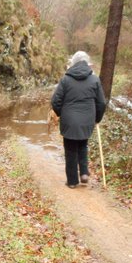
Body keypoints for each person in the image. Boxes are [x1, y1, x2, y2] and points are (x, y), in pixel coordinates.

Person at [51, 51, 106, 188]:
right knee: (82, 146)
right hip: (87, 120)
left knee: (70, 150)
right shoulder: (94, 80)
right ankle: (84, 173)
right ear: (87, 63)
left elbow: (55, 101)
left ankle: (72, 181)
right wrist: (97, 118)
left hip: (69, 120)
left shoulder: (66, 79)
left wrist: (61, 114)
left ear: (73, 63)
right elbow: (101, 103)